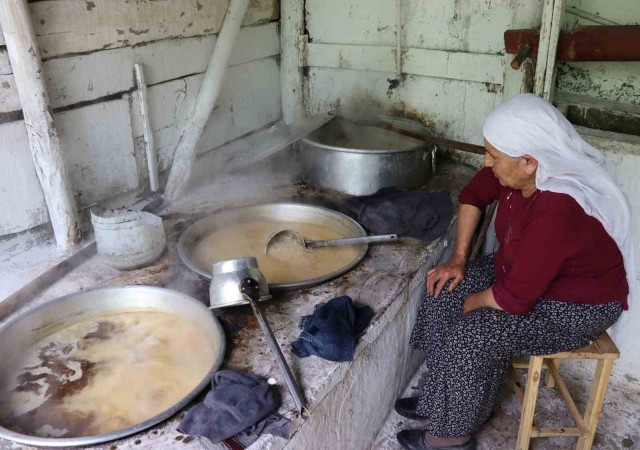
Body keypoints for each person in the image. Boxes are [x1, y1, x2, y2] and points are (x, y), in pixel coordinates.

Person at [395, 93, 634, 450]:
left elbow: (514, 299)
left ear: (528, 161)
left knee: (472, 333)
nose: (486, 161)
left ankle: (450, 436)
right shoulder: (516, 175)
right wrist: (458, 258)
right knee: (443, 290)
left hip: (575, 304)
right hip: (521, 273)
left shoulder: (558, 206)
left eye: (493, 155)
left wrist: (473, 303)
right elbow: (473, 195)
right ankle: (440, 396)